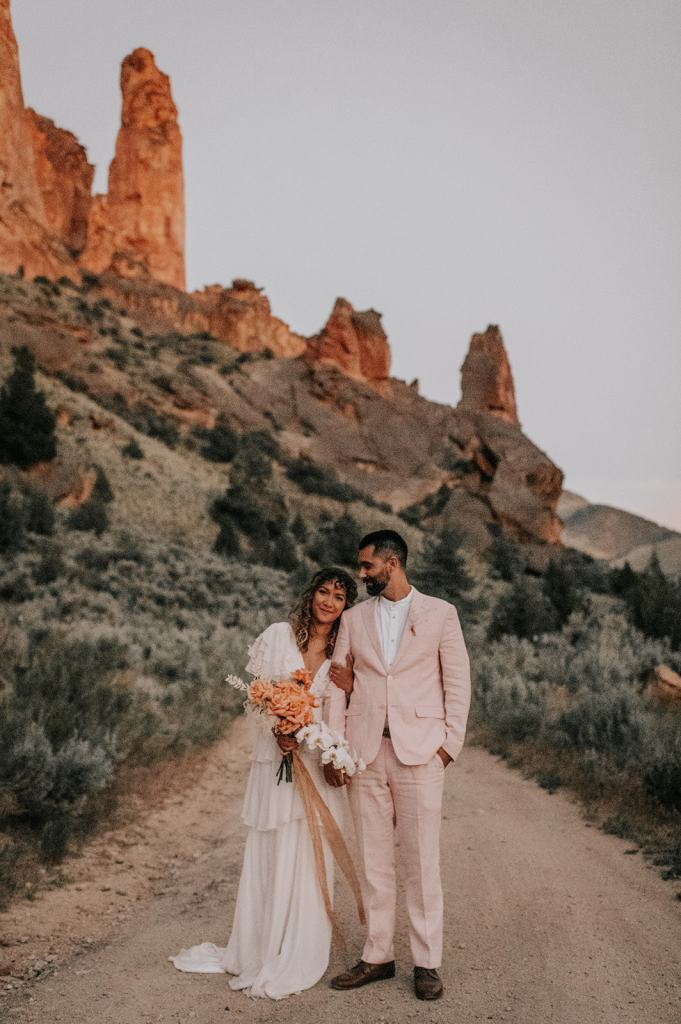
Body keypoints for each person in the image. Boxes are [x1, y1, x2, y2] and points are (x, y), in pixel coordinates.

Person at [169, 566, 358, 999]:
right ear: (311, 594)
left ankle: (298, 947)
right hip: (276, 759)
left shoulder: (343, 654)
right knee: (272, 845)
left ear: (346, 607)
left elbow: (347, 710)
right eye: (324, 592)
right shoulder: (278, 636)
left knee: (309, 853)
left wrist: (333, 745)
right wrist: (278, 730)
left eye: (339, 597)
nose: (329, 602)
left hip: (315, 762)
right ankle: (260, 946)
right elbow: (256, 701)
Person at [326, 529, 471, 1002]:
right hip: (364, 753)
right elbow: (337, 686)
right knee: (374, 861)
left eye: (367, 565)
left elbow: (458, 683)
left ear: (391, 563)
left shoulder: (441, 613)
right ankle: (378, 955)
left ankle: (427, 963)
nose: (361, 573)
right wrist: (337, 748)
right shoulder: (353, 618)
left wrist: (447, 747)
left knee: (421, 863)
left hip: (420, 754)